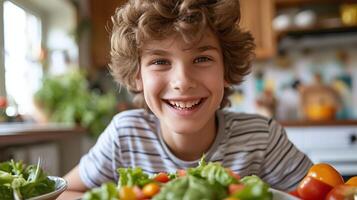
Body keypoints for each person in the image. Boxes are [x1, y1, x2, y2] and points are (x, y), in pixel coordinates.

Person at [63, 0, 312, 195]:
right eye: (160, 61)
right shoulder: (125, 136)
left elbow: (326, 193)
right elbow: (64, 192)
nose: (182, 81)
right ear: (137, 76)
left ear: (226, 70)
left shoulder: (261, 138)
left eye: (202, 59)